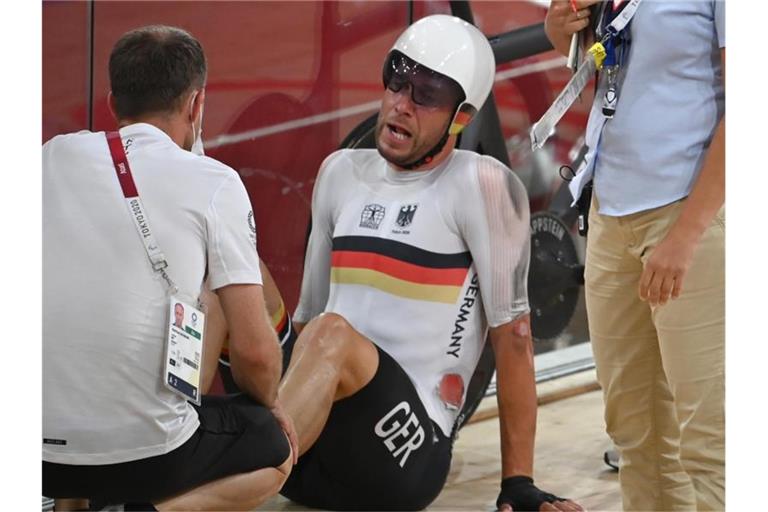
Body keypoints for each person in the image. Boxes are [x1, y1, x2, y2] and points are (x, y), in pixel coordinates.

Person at [272, 15, 583, 511]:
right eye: (397, 79)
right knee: (227, 280)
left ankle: (242, 461)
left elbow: (514, 339)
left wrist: (518, 483)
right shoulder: (339, 172)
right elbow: (304, 320)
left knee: (332, 333)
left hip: (403, 460)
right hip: (313, 453)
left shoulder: (482, 186)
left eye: (426, 93)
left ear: (461, 117)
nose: (401, 102)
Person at [43, 25, 298, 511]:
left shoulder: (48, 158)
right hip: (147, 457)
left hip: (31, 456)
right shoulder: (214, 182)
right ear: (196, 105)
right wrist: (271, 405)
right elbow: (257, 356)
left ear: (113, 102)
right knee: (274, 450)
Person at [545, 1, 725, 510]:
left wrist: (688, 234)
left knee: (712, 440)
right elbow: (615, 67)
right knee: (635, 433)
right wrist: (564, 32)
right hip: (612, 211)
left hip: (692, 216)